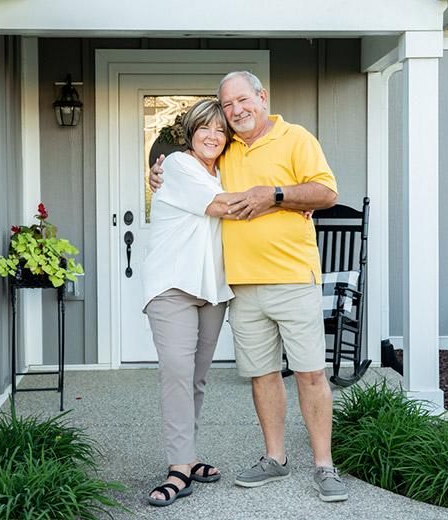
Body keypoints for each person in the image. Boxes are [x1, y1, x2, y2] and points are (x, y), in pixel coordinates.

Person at [150, 71, 348, 502]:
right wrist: (157, 173)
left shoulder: (296, 138)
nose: (235, 112)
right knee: (262, 375)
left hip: (293, 276)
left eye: (243, 101)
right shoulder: (225, 150)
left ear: (261, 97)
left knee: (311, 374)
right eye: (226, 106)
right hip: (240, 284)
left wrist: (276, 195)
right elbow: (190, 175)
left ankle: (324, 466)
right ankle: (274, 458)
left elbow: (326, 192)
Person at [143, 98, 280, 506]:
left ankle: (186, 457)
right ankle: (178, 470)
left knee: (196, 378)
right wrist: (286, 203)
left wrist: (283, 201)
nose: (213, 136)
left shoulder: (224, 170)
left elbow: (243, 194)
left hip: (212, 289)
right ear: (191, 132)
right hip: (172, 286)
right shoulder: (179, 165)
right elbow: (225, 207)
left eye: (221, 130)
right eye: (205, 128)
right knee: (177, 374)